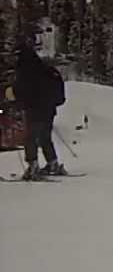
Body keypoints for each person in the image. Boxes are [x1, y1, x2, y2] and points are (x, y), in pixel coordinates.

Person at [13, 42, 67, 179]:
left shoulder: (25, 70)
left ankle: (33, 165)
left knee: (30, 137)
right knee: (44, 137)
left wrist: (18, 102)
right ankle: (52, 163)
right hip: (49, 109)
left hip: (34, 109)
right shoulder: (45, 68)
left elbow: (21, 90)